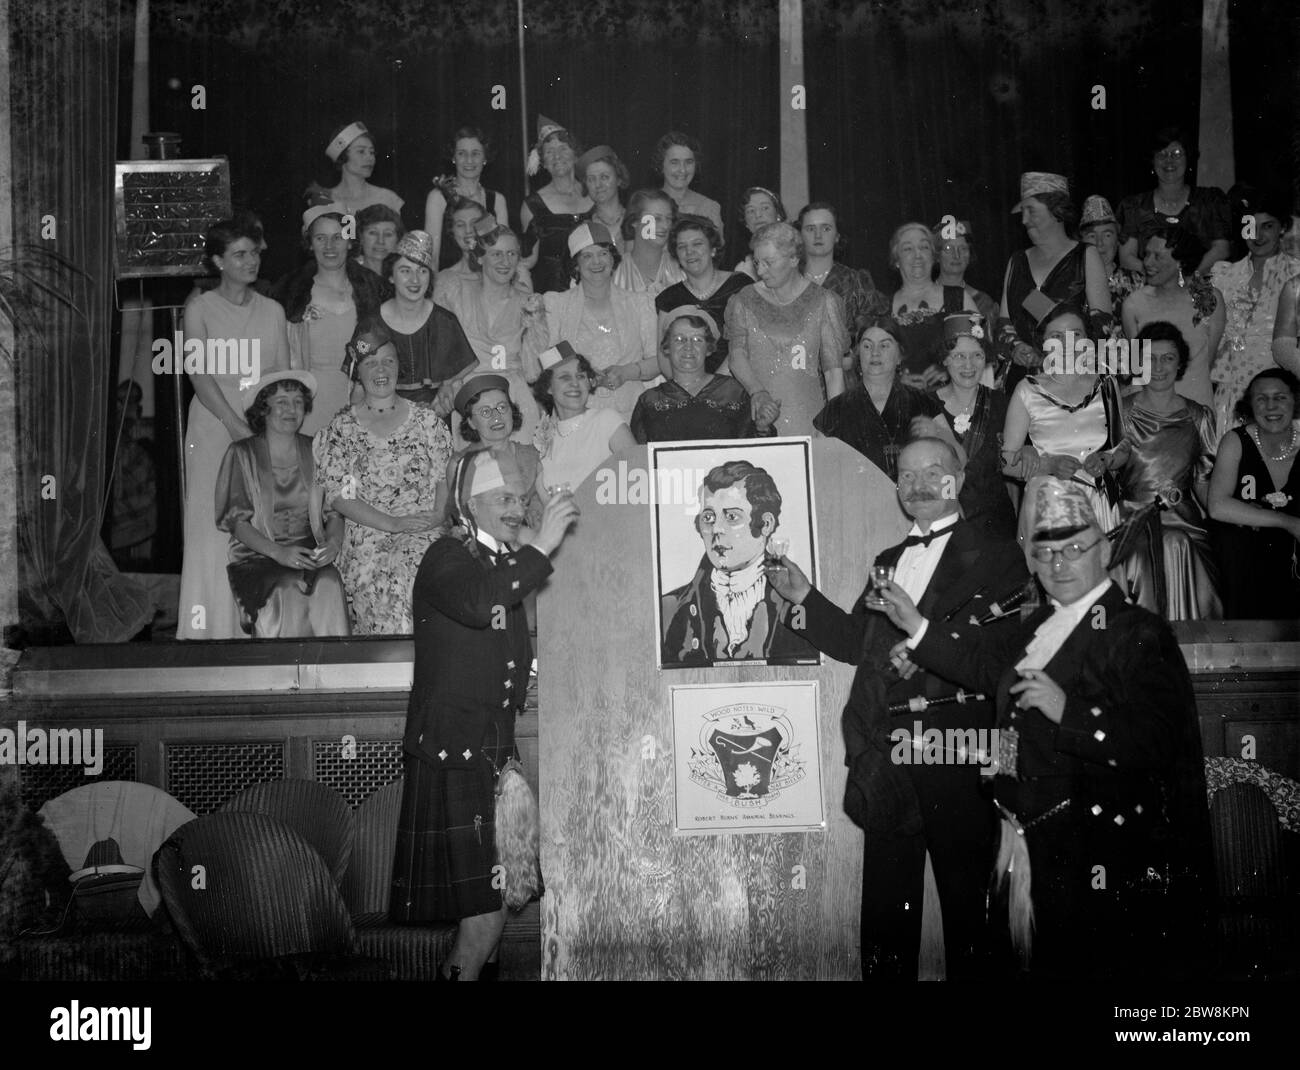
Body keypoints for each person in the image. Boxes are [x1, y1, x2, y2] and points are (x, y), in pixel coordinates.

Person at [880, 476, 1213, 981]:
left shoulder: (1137, 632)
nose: (1059, 565)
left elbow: (1158, 740)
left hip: (1095, 857)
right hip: (1027, 848)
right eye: (1047, 553)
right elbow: (985, 669)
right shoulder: (1037, 627)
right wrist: (918, 631)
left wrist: (1066, 710)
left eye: (1075, 549)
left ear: (1104, 552)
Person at [766, 437, 1028, 978]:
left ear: (956, 478)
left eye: (930, 472)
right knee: (886, 911)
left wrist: (920, 629)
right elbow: (855, 644)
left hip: (960, 751)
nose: (916, 485)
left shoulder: (1000, 553)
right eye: (906, 476)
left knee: (969, 906)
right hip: (889, 755)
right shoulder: (888, 561)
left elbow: (995, 662)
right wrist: (805, 597)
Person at [391, 449, 580, 981]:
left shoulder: (499, 562)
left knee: (490, 918)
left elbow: (499, 633)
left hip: (492, 750)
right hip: (456, 750)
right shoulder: (446, 557)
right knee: (483, 922)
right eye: (503, 498)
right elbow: (478, 604)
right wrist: (543, 546)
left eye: (520, 498)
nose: (517, 507)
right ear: (469, 505)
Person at [178, 217, 290, 640]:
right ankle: (208, 629)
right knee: (212, 524)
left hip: (259, 428)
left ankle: (256, 625)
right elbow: (200, 377)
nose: (251, 261)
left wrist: (265, 430)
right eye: (240, 254)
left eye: (255, 252)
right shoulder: (199, 309)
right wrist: (233, 425)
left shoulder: (273, 310)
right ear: (217, 261)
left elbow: (280, 375)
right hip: (213, 425)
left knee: (259, 522)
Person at [313, 319, 453, 634]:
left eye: (389, 361)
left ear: (398, 367)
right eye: (371, 363)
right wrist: (391, 524)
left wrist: (436, 516)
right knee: (376, 579)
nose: (381, 369)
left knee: (419, 568)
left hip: (422, 526)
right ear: (357, 373)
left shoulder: (427, 421)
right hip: (369, 534)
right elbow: (343, 495)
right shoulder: (343, 430)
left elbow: (445, 477)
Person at [1093, 322, 1221, 619]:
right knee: (1162, 545)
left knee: (1178, 542)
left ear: (1180, 364)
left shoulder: (1199, 416)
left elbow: (1203, 481)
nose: (1159, 366)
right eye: (1150, 358)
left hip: (1185, 521)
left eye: (1168, 358)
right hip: (1130, 517)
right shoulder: (1119, 410)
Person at [215, 370, 349, 638]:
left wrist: (333, 543)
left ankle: (334, 673)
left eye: (298, 402)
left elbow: (335, 511)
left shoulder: (317, 450)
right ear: (263, 409)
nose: (292, 409)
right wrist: (278, 553)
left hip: (310, 556)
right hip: (260, 558)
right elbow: (236, 523)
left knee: (330, 583)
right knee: (287, 589)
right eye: (282, 402)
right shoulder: (241, 454)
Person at [660, 460, 818, 666]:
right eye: (708, 517)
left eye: (732, 517)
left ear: (766, 524)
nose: (716, 529)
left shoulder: (802, 605)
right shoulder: (670, 609)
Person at [1001, 305, 1123, 531]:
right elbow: (1005, 462)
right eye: (1056, 336)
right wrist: (1047, 464)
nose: (1066, 344)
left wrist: (1106, 460)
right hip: (1050, 508)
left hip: (1100, 507)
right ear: (1043, 343)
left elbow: (1123, 450)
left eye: (1075, 334)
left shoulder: (1106, 383)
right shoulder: (1028, 390)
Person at [725, 221, 848, 436]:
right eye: (756, 262)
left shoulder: (823, 301)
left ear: (793, 259)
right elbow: (736, 356)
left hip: (807, 419)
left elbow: (833, 374)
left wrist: (832, 426)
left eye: (768, 262)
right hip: (755, 419)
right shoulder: (743, 299)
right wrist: (757, 391)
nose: (761, 270)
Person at [273, 206, 383, 438]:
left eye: (338, 237)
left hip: (362, 397)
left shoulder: (374, 290)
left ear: (350, 242)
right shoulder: (292, 294)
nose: (330, 246)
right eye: (321, 238)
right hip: (311, 402)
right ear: (310, 243)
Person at [434, 220, 546, 447]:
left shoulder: (527, 300)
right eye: (496, 254)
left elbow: (534, 371)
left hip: (514, 398)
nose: (505, 262)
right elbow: (438, 349)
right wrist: (446, 384)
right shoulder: (456, 291)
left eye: (512, 253)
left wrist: (535, 326)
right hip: (471, 398)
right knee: (478, 475)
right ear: (480, 257)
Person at [997, 173, 1111, 391]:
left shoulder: (1085, 256)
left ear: (1056, 212)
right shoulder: (1016, 261)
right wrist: (1016, 347)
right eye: (1023, 212)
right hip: (1022, 383)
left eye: (1031, 211)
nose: (1024, 220)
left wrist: (1054, 349)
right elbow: (1004, 323)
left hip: (1071, 381)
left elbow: (1102, 324)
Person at [540, 221, 658, 419]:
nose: (596, 262)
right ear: (576, 265)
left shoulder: (640, 303)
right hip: (576, 411)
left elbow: (658, 360)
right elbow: (546, 357)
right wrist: (585, 372)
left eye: (603, 253)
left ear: (613, 259)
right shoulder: (556, 303)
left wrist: (627, 372)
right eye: (587, 256)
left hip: (629, 413)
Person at [1207, 368, 1300, 619]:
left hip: (1291, 549)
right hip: (1246, 542)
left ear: (1295, 401)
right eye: (1261, 398)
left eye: (1280, 397)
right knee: (1235, 544)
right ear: (1250, 405)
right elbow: (1217, 506)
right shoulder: (1235, 441)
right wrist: (1286, 521)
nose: (1271, 406)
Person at [1209, 186, 1300, 435]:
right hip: (1227, 399)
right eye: (1250, 226)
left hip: (1279, 400)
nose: (1257, 235)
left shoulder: (1295, 276)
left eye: (1267, 226)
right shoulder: (1222, 275)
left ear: (1282, 227)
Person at [814, 318, 944, 481]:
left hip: (913, 502)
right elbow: (819, 470)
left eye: (884, 345)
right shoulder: (835, 410)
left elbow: (955, 458)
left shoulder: (922, 402)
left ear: (900, 354)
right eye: (867, 346)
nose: (875, 352)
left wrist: (939, 435)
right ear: (858, 354)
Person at [1122, 223, 1225, 409]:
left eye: (1158, 257)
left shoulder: (1209, 298)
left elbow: (1207, 362)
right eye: (1146, 254)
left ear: (1180, 262)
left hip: (1198, 407)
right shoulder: (1134, 304)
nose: (1148, 263)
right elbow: (1139, 369)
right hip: (1153, 414)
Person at [630, 307, 769, 443]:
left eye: (697, 340)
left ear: (708, 348)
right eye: (679, 339)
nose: (688, 346)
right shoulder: (650, 401)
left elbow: (755, 452)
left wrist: (762, 427)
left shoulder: (732, 392)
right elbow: (638, 458)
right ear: (667, 347)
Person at [933, 313, 1016, 538]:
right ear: (944, 359)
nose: (968, 365)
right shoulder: (925, 405)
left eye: (977, 355)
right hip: (945, 522)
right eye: (959, 355)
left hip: (996, 524)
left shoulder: (1003, 404)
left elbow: (1013, 467)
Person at [379, 230, 478, 412]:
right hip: (385, 416)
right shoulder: (373, 325)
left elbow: (456, 376)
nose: (415, 280)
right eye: (405, 271)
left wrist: (447, 387)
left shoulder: (444, 322)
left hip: (435, 418)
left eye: (422, 271)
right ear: (391, 276)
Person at [1116, 125, 1231, 276]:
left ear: (1188, 158)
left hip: (1199, 287)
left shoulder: (1209, 200)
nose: (1168, 160)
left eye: (1176, 154)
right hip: (1150, 290)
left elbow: (1221, 249)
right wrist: (1161, 276)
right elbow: (1126, 258)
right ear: (1152, 161)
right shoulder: (1133, 206)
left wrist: (1186, 278)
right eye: (1161, 154)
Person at [445, 375, 545, 529]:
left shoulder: (534, 455)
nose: (496, 416)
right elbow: (463, 521)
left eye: (502, 407)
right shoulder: (459, 464)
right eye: (485, 412)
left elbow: (543, 505)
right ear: (471, 422)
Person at [533, 343, 636, 493]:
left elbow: (640, 475)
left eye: (580, 376)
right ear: (548, 387)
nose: (575, 383)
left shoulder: (606, 421)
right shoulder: (544, 438)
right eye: (564, 377)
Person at [888, 221, 978, 389]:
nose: (917, 255)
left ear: (933, 256)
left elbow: (981, 356)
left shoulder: (958, 299)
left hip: (951, 403)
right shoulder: (884, 306)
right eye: (908, 249)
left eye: (924, 248)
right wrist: (896, 380)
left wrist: (951, 371)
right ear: (896, 260)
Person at [655, 215, 748, 374]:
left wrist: (713, 387)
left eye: (697, 244)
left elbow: (748, 342)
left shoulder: (741, 286)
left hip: (735, 383)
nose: (689, 251)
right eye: (682, 247)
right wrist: (683, 389)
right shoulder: (668, 298)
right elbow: (664, 355)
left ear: (713, 249)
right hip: (685, 389)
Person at [799, 202, 889, 350]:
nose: (818, 235)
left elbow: (875, 336)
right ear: (800, 236)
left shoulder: (856, 282)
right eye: (810, 229)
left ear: (837, 236)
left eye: (826, 228)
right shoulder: (787, 280)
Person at [520, 116, 593, 294]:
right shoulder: (533, 206)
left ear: (575, 154)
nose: (557, 156)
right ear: (542, 161)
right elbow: (526, 261)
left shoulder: (595, 193)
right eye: (549, 151)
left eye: (562, 148)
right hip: (552, 299)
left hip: (594, 293)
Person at [423, 126, 510, 270]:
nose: (469, 160)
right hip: (450, 283)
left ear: (485, 158)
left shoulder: (497, 200)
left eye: (475, 153)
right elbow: (432, 256)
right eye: (462, 153)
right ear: (453, 158)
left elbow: (503, 251)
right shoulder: (438, 198)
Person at [314, 121, 404, 217]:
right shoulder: (325, 200)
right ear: (343, 156)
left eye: (372, 152)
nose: (370, 158)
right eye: (361, 151)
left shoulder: (387, 198)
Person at [1078, 195, 1142, 319]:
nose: (1099, 243)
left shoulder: (1137, 283)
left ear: (1117, 239)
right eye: (1092, 236)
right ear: (1081, 242)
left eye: (1107, 235)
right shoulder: (1072, 283)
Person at [613, 189, 683, 296]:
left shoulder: (681, 269)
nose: (665, 226)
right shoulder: (614, 272)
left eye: (669, 218)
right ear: (634, 221)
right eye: (656, 218)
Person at [931, 218, 999, 329]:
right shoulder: (923, 297)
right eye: (948, 248)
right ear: (937, 256)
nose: (957, 255)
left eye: (963, 248)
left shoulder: (982, 302)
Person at [654, 131, 723, 232]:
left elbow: (713, 246)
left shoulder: (710, 208)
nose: (682, 169)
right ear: (661, 166)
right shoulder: (647, 205)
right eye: (674, 162)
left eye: (688, 162)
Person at [577, 144, 631, 238]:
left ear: (618, 179)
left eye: (604, 177)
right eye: (591, 179)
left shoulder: (636, 221)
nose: (598, 185)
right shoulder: (582, 229)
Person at [734, 187, 786, 278]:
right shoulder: (744, 270)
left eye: (765, 208)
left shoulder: (795, 253)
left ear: (778, 214)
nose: (758, 215)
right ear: (745, 222)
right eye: (751, 211)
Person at [354, 204, 404, 282]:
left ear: (397, 240)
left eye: (388, 234)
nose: (380, 241)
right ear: (361, 237)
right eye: (373, 233)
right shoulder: (348, 278)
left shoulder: (405, 281)